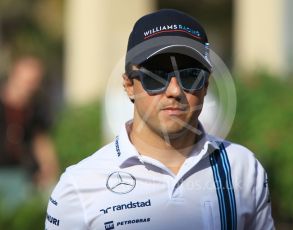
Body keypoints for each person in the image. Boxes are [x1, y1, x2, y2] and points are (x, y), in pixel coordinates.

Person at [45, 9, 274, 229]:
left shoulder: (243, 169)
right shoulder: (79, 186)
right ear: (128, 86)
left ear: (205, 86)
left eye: (190, 76)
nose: (175, 91)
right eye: (155, 77)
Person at [0, 55, 59, 208]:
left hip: (23, 174)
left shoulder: (36, 108)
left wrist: (49, 169)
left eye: (33, 82)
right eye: (26, 81)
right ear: (14, 75)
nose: (29, 87)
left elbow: (41, 140)